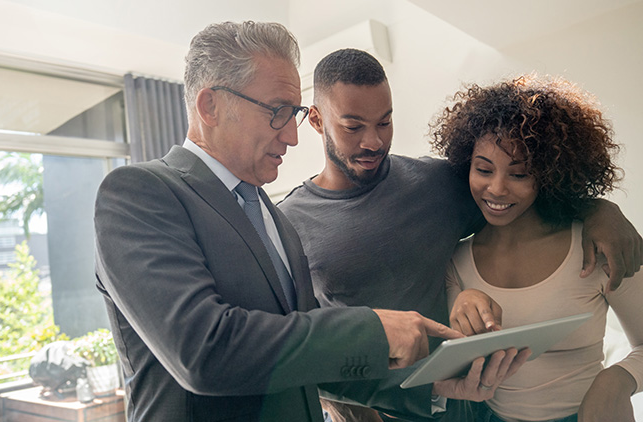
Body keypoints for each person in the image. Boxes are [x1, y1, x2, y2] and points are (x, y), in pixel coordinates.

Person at [93, 22, 520, 422]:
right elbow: (204, 351)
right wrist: (372, 329)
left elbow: (310, 364)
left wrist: (428, 387)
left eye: (293, 113)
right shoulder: (138, 193)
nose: (293, 136)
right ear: (211, 105)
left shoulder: (272, 217)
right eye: (277, 111)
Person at [277, 49, 642, 421]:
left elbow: (521, 192)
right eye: (353, 127)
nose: (373, 141)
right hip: (375, 411)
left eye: (384, 122)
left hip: (471, 404)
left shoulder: (438, 183)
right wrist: (346, 406)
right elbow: (297, 348)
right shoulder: (287, 225)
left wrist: (599, 209)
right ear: (318, 121)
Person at [430, 74, 643, 422]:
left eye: (519, 174)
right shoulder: (456, 259)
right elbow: (451, 366)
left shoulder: (597, 247)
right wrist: (461, 304)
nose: (496, 189)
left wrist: (616, 381)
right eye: (484, 169)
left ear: (549, 175)